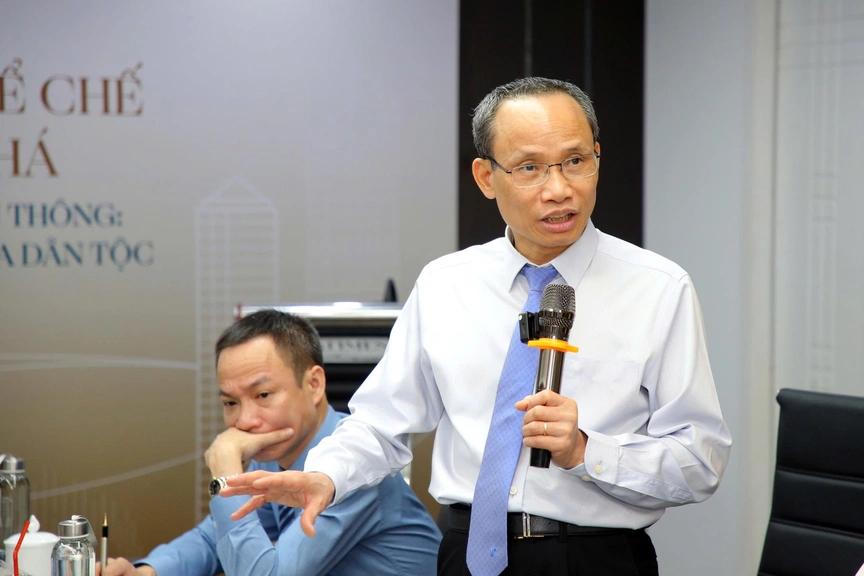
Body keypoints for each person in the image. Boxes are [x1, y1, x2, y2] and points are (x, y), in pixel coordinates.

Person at [223, 77, 732, 575]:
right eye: (530, 168)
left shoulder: (659, 288)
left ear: (597, 158)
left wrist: (585, 450)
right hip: (465, 553)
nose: (559, 189)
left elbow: (700, 460)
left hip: (596, 557)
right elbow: (382, 423)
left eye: (576, 161)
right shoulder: (446, 283)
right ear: (486, 177)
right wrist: (324, 475)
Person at [97, 309, 441, 576]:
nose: (245, 420)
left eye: (263, 395)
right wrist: (148, 571)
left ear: (314, 384)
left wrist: (226, 476)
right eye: (230, 402)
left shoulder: (352, 469)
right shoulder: (274, 452)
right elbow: (214, 537)